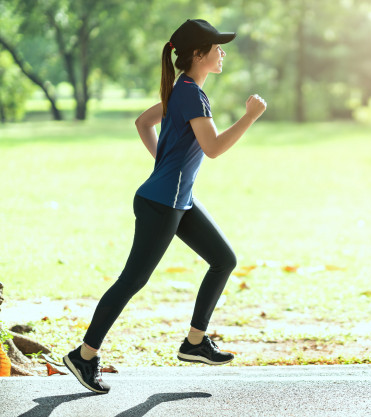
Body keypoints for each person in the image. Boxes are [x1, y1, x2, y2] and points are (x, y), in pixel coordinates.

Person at [63, 19, 267, 394]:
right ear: (197, 54)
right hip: (161, 203)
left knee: (224, 259)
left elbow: (143, 123)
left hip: (177, 200)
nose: (222, 52)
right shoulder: (190, 93)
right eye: (217, 47)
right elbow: (213, 148)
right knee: (133, 280)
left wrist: (164, 167)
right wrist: (250, 116)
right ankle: (84, 356)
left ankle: (194, 343)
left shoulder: (184, 90)